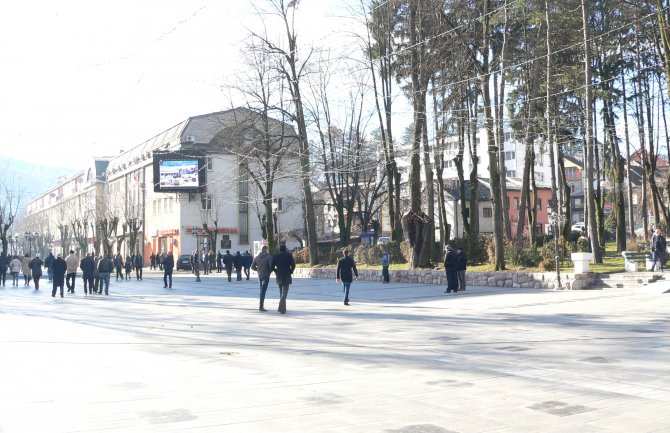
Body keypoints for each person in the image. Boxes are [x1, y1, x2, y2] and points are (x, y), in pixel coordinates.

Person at [272, 244, 295, 314]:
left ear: (280, 249)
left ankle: (283, 308)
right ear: (285, 249)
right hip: (286, 274)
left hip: (279, 275)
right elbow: (293, 265)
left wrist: (276, 271)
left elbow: (272, 266)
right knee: (284, 292)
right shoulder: (289, 255)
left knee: (281, 292)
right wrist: (291, 271)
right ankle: (281, 307)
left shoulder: (276, 256)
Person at [251, 245, 274, 311]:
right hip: (266, 275)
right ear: (266, 250)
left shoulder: (257, 257)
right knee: (263, 290)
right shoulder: (269, 257)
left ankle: (261, 306)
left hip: (259, 275)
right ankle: (261, 306)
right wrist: (270, 271)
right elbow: (271, 267)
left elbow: (252, 267)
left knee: (262, 289)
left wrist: (257, 270)